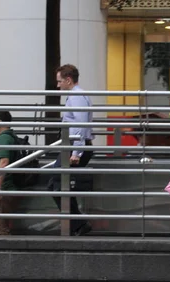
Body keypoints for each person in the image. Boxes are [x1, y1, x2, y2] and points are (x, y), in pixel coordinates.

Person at [50, 64, 93, 236]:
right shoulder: (77, 95)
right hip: (73, 146)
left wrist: (76, 152)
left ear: (68, 80)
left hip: (74, 147)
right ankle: (78, 223)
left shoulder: (76, 97)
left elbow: (80, 125)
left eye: (60, 81)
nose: (58, 85)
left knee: (57, 185)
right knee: (58, 185)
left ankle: (78, 223)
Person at [0, 111, 18, 235]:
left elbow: (4, 162)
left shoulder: (4, 138)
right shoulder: (10, 136)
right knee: (2, 225)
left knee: (0, 228)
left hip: (5, 187)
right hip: (8, 186)